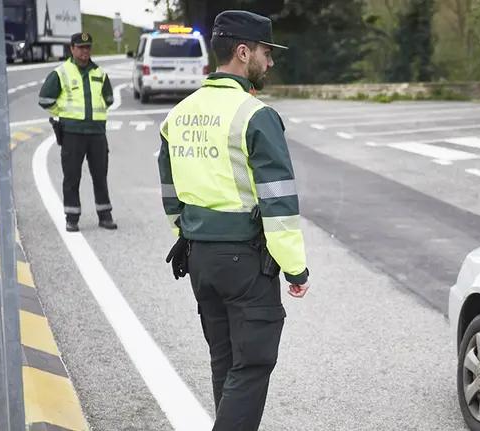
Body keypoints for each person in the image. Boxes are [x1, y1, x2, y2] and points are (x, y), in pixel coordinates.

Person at [156, 10, 310, 430]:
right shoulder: (255, 114)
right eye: (265, 52)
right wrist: (295, 268)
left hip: (199, 257)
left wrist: (189, 231)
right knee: (253, 363)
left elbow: (170, 191)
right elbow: (278, 201)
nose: (270, 61)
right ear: (243, 52)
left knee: (225, 362)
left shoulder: (179, 114)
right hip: (244, 261)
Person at [38, 32, 117, 232]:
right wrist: (65, 114)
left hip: (97, 133)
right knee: (72, 177)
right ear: (72, 49)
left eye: (87, 47)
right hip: (72, 133)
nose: (85, 51)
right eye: (81, 48)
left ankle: (105, 215)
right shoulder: (61, 72)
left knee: (100, 175)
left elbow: (108, 98)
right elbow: (45, 99)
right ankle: (72, 218)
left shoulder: (100, 73)